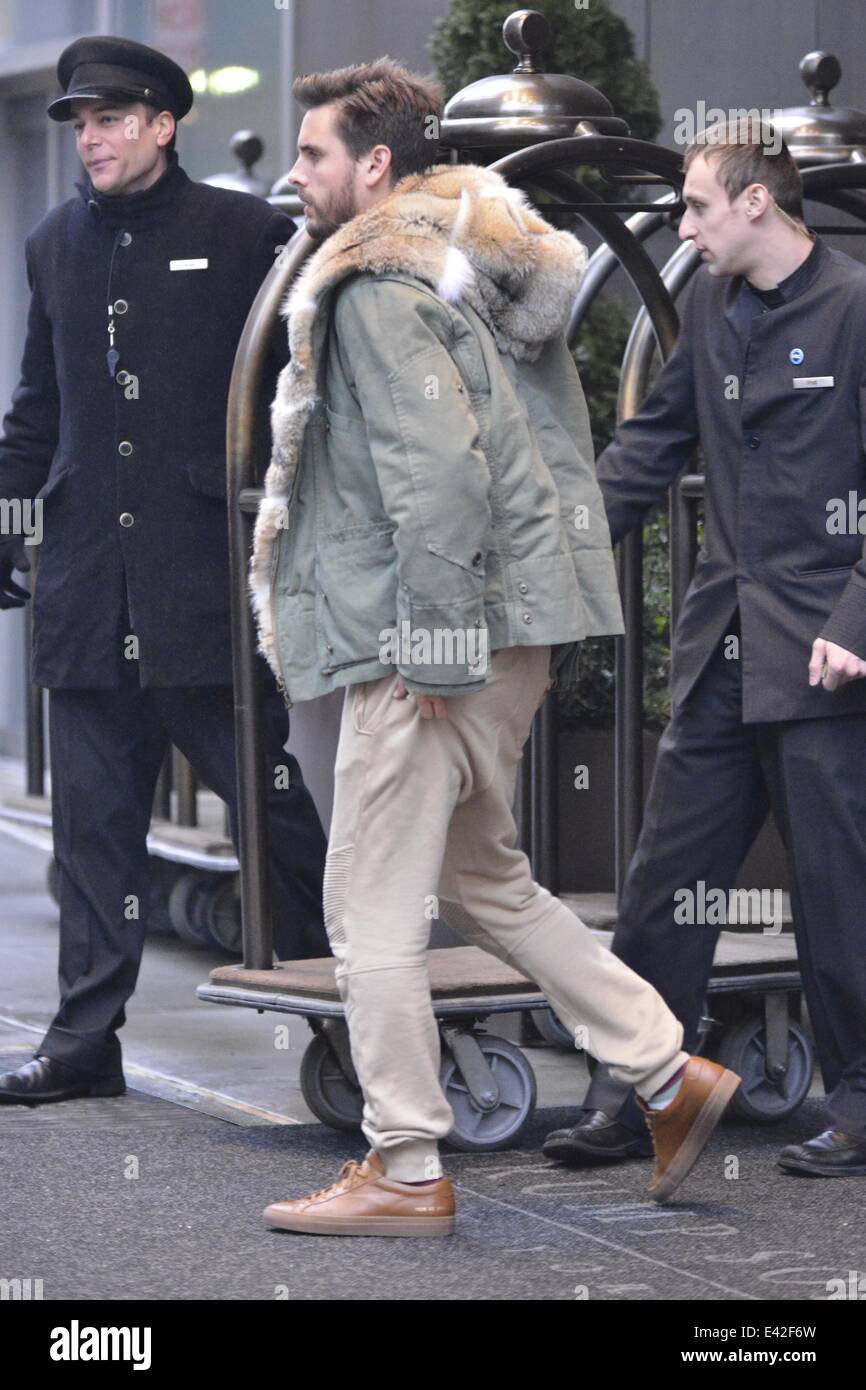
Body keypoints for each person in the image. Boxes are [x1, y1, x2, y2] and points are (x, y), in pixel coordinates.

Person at [251, 58, 740, 1238]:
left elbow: (438, 480)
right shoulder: (486, 256)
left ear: (374, 166)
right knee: (486, 881)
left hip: (431, 637)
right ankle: (666, 1071)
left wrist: (427, 646)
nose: (297, 174)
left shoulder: (374, 284)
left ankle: (405, 1164)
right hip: (514, 626)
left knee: (366, 903)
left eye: (312, 153)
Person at [0, 37, 329, 1108]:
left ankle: (349, 1005)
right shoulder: (53, 243)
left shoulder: (245, 234)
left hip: (207, 592)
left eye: (108, 119)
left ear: (161, 123)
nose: (90, 138)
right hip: (91, 590)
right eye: (79, 123)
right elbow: (36, 411)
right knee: (93, 837)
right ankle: (85, 1039)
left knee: (274, 807)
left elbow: (305, 396)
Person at [543, 121, 866, 1179]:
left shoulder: (857, 307)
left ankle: (857, 1104)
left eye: (696, 207)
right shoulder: (709, 307)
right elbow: (647, 449)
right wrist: (554, 550)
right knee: (662, 881)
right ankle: (639, 1090)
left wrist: (854, 623)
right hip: (723, 650)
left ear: (757, 203)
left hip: (825, 657)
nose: (682, 227)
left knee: (836, 890)